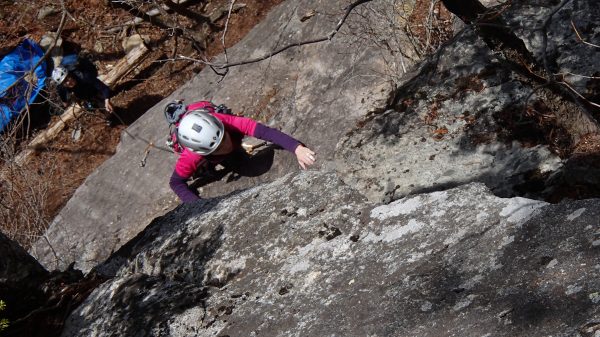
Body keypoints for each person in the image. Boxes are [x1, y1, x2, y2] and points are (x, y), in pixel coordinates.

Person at [168, 101, 316, 203]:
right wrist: (197, 205)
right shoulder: (191, 156)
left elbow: (265, 132)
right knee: (206, 168)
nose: (226, 145)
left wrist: (297, 148)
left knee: (235, 155)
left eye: (224, 137)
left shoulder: (226, 121)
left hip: (220, 149)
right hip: (209, 159)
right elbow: (176, 183)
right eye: (218, 147)